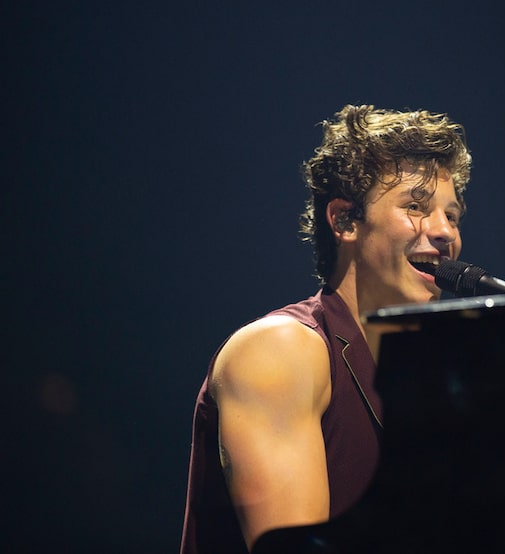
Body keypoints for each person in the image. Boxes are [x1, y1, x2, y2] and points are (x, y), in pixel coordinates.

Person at [180, 104, 473, 553]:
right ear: (343, 220)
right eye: (416, 207)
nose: (443, 232)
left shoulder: (427, 378)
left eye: (451, 215)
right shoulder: (279, 351)